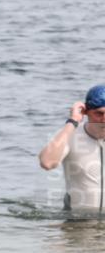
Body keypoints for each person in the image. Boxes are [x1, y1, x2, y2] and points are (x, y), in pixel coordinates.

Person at [38, 84, 105, 213]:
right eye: (99, 114)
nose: (104, 120)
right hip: (77, 224)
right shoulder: (70, 135)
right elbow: (47, 163)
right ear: (85, 112)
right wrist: (73, 121)